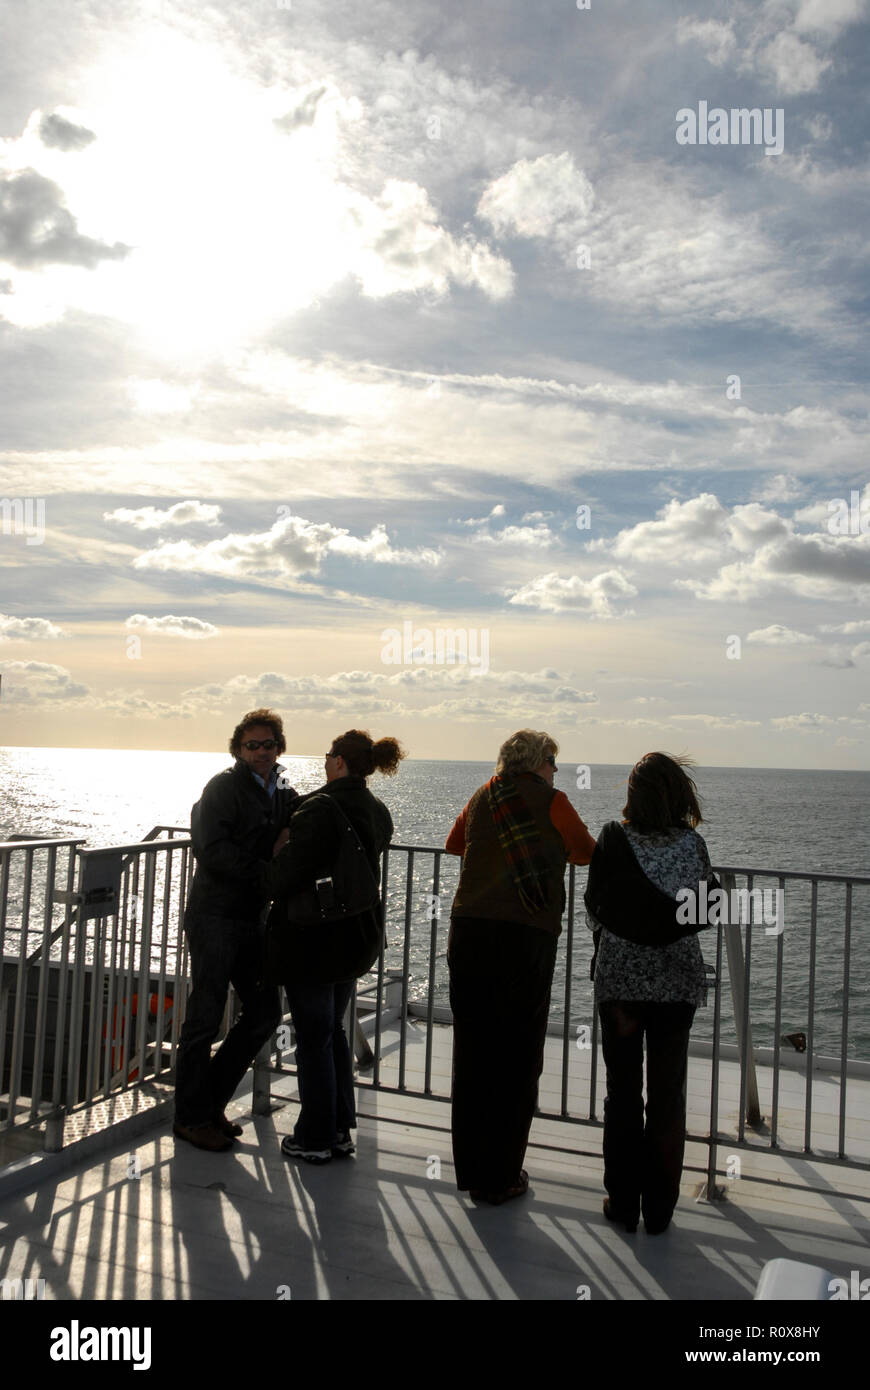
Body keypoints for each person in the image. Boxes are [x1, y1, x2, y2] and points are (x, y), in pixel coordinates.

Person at [445, 729, 595, 1204]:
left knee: (472, 1054)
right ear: (539, 761)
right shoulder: (553, 801)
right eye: (553, 761)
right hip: (524, 937)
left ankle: (472, 1171)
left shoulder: (484, 795)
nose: (555, 769)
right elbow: (586, 852)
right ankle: (503, 1174)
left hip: (468, 932)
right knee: (517, 1056)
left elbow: (454, 844)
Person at [584, 752, 714, 1234]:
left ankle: (622, 1203)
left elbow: (594, 907)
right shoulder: (692, 844)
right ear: (680, 794)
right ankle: (660, 1211)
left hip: (620, 980)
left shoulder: (612, 839)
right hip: (677, 980)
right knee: (667, 1095)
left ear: (633, 796)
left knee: (622, 1092)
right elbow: (704, 905)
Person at [260, 730, 404, 1164]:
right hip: (355, 938)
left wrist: (277, 851)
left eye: (328, 756)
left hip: (314, 940)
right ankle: (339, 1129)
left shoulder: (319, 809)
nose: (325, 761)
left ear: (340, 761)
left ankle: (316, 1135)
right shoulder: (377, 810)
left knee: (313, 1036)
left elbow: (286, 875)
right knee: (333, 1031)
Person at [173, 709, 300, 1152]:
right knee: (204, 1019)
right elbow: (211, 851)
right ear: (238, 750)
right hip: (215, 916)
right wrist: (269, 871)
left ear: (279, 747)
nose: (262, 751)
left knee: (264, 1013)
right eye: (253, 745)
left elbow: (306, 819)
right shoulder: (223, 788)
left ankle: (208, 1104)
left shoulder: (282, 789)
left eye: (269, 744)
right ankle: (190, 1117)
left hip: (251, 919)